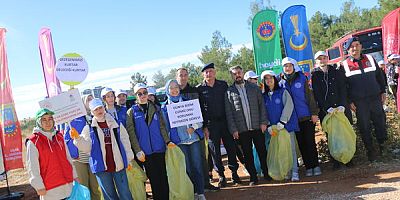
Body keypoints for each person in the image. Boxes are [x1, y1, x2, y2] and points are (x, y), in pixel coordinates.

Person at [72, 98, 134, 200]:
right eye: (96, 109)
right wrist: (78, 139)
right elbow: (87, 148)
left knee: (125, 193)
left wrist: (129, 158)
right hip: (101, 167)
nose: (99, 111)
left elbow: (125, 141)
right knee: (109, 196)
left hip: (118, 163)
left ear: (104, 108)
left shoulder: (116, 123)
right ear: (92, 112)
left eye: (100, 108)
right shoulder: (89, 128)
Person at [341, 37, 387, 161]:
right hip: (359, 102)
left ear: (361, 46)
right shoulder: (344, 65)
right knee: (364, 126)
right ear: (348, 50)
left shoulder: (371, 59)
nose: (355, 48)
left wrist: (383, 91)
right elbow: (344, 86)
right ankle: (370, 152)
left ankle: (384, 148)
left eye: (357, 45)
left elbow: (380, 76)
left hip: (375, 98)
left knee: (380, 123)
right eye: (352, 47)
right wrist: (349, 101)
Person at [126, 83, 174, 200]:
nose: (143, 95)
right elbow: (131, 134)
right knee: (154, 179)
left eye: (145, 93)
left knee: (163, 176)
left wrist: (167, 141)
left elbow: (162, 127)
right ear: (136, 95)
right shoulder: (131, 112)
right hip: (145, 152)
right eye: (139, 93)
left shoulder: (156, 108)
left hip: (159, 148)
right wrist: (138, 150)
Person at [197, 63, 241, 187]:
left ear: (214, 72)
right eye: (206, 72)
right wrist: (204, 126)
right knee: (215, 152)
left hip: (225, 122)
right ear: (203, 74)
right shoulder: (199, 89)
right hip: (210, 125)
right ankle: (221, 176)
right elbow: (199, 109)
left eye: (211, 71)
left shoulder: (223, 85)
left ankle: (234, 173)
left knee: (231, 148)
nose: (209, 74)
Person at [176, 67, 220, 191]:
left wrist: (205, 126)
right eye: (181, 75)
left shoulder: (195, 91)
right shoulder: (173, 92)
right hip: (181, 135)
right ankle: (191, 188)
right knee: (187, 163)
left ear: (188, 76)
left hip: (197, 131)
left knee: (201, 158)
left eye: (185, 74)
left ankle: (205, 184)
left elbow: (202, 109)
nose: (183, 77)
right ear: (176, 77)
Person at [225, 66, 270, 185]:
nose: (237, 75)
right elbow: (229, 113)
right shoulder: (229, 92)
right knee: (248, 155)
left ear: (243, 73)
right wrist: (233, 129)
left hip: (257, 126)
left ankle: (266, 173)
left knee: (262, 151)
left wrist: (263, 122)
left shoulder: (254, 88)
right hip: (242, 130)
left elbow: (262, 107)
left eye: (239, 72)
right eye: (234, 74)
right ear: (232, 76)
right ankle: (253, 177)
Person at [162, 79, 206, 200]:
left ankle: (201, 192)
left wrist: (193, 127)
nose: (174, 90)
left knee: (197, 166)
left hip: (193, 140)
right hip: (179, 143)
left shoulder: (189, 102)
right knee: (187, 169)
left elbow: (199, 121)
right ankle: (192, 192)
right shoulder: (165, 108)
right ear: (167, 90)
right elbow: (165, 128)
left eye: (176, 87)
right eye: (171, 88)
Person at [280, 57, 321, 177]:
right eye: (285, 66)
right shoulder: (281, 83)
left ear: (293, 67)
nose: (287, 68)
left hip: (306, 116)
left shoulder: (302, 78)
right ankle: (308, 167)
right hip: (293, 120)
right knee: (301, 143)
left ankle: (315, 165)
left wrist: (314, 113)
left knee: (310, 142)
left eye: (289, 66)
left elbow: (310, 97)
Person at [311, 51, 353, 169]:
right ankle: (336, 160)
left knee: (345, 133)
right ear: (316, 61)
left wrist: (342, 105)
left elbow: (342, 88)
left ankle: (349, 158)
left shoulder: (336, 71)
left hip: (340, 109)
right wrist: (326, 107)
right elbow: (317, 93)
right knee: (331, 135)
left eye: (324, 58)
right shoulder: (315, 75)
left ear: (327, 59)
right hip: (326, 112)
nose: (322, 60)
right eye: (320, 59)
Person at [26, 108, 77, 200]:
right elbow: (32, 167)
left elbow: (68, 158)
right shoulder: (33, 141)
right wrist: (39, 186)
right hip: (50, 190)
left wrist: (75, 176)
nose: (48, 122)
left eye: (50, 119)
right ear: (38, 122)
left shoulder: (59, 136)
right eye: (44, 120)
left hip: (68, 185)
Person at [261, 70, 300, 181]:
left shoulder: (283, 92)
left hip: (286, 126)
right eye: (266, 79)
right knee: (280, 150)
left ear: (275, 79)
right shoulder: (264, 96)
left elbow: (289, 106)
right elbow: (263, 111)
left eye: (271, 78)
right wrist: (268, 124)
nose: (269, 80)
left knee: (290, 149)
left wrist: (283, 121)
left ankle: (295, 171)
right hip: (274, 128)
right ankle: (286, 171)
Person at [64, 94, 101, 200]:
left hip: (94, 157)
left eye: (92, 99)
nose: (90, 101)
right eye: (87, 99)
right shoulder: (74, 118)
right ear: (82, 103)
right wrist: (73, 154)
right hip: (79, 158)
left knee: (95, 187)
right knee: (84, 187)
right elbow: (67, 138)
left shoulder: (97, 116)